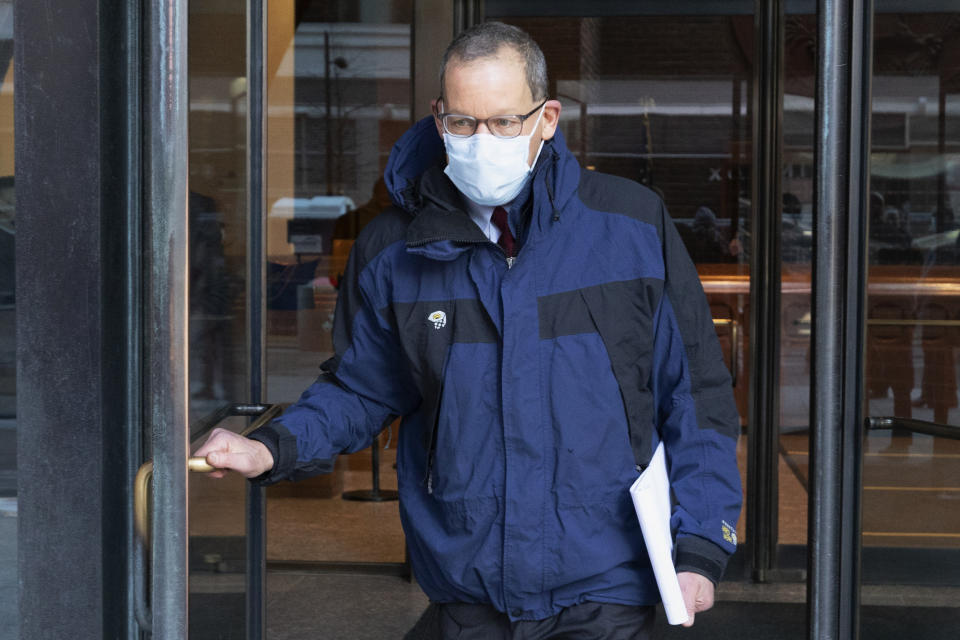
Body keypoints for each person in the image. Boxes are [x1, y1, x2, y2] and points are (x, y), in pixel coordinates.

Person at [196, 22, 742, 639]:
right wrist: (271, 446)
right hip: (467, 582)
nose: (484, 140)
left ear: (547, 118)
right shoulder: (391, 250)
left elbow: (694, 396)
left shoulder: (632, 227)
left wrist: (700, 545)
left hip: (605, 584)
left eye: (506, 122)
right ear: (438, 118)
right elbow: (362, 390)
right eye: (463, 122)